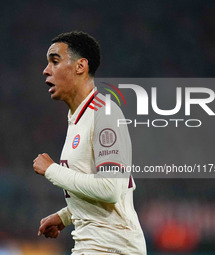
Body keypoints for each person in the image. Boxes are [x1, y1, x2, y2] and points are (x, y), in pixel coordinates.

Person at [33, 31, 146, 255]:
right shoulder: (78, 118)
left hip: (112, 249)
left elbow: (111, 188)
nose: (46, 70)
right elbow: (101, 191)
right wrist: (66, 215)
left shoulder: (105, 113)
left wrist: (52, 170)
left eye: (55, 61)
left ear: (80, 66)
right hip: (93, 247)